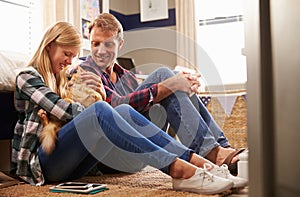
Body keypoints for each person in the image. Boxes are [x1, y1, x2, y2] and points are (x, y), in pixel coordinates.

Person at [11, 21, 247, 194]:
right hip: (41, 166)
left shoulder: (62, 77)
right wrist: (102, 108)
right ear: (49, 46)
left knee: (126, 107)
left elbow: (97, 112)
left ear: (120, 44)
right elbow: (65, 111)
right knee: (107, 110)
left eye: (73, 56)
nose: (70, 62)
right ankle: (182, 168)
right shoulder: (29, 76)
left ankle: (206, 157)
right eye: (67, 54)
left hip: (80, 160)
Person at [79, 13, 248, 175]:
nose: (100, 51)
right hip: (113, 155)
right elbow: (117, 109)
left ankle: (222, 148)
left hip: (143, 149)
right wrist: (169, 84)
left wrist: (178, 83)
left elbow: (137, 115)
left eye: (108, 44)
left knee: (171, 81)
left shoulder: (127, 76)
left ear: (120, 44)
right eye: (95, 44)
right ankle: (213, 153)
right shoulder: (85, 71)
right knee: (164, 75)